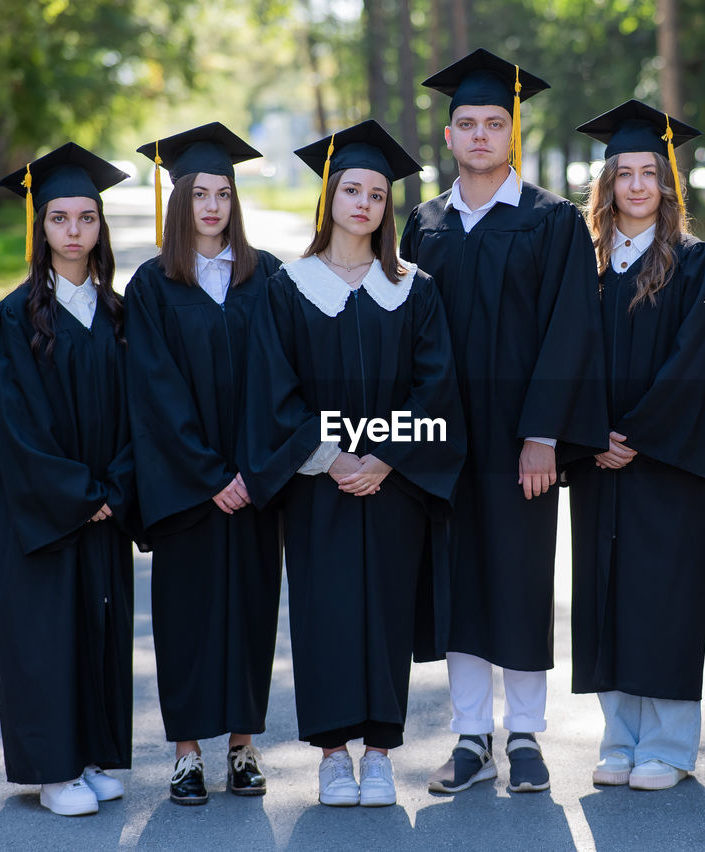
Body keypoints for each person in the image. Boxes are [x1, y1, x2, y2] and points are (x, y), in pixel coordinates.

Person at [401, 48, 609, 795]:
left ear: (512, 132)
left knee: (520, 579)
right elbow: (402, 331)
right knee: (455, 582)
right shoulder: (424, 223)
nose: (481, 135)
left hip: (523, 437)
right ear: (449, 135)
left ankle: (524, 735)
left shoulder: (551, 221)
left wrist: (543, 434)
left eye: (495, 123)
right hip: (445, 439)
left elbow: (569, 329)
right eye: (468, 123)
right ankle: (468, 736)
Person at [240, 120, 466, 807]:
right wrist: (332, 455)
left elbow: (436, 385)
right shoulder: (288, 286)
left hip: (390, 484)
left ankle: (380, 754)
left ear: (386, 207)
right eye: (352, 190)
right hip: (320, 483)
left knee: (387, 614)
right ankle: (334, 756)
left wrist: (388, 458)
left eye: (376, 193)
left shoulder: (413, 287)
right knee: (326, 612)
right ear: (330, 198)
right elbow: (272, 388)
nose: (364, 203)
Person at [568, 100, 705, 791]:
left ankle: (666, 745)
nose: (637, 186)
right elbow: (564, 353)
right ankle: (619, 739)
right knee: (607, 594)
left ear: (668, 185)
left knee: (663, 596)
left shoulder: (694, 264)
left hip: (665, 465)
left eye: (650, 173)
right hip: (601, 462)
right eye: (624, 173)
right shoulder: (585, 261)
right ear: (605, 185)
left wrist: (631, 435)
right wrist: (588, 432)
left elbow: (699, 361)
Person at [125, 122, 283, 805]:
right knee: (186, 615)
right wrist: (208, 474)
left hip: (254, 483)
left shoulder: (267, 275)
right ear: (180, 200)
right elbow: (153, 391)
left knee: (252, 608)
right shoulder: (153, 287)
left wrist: (252, 471)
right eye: (200, 194)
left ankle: (243, 749)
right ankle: (188, 753)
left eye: (224, 193)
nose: (213, 207)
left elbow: (281, 381)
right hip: (187, 488)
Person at [0, 143, 136, 816]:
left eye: (86, 218)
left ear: (102, 227)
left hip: (103, 501)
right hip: (48, 511)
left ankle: (94, 755)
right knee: (47, 629)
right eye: (59, 219)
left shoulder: (117, 312)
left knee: (99, 625)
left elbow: (142, 413)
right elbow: (17, 430)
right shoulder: (14, 317)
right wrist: (81, 494)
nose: (74, 231)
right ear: (38, 228)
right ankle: (53, 770)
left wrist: (117, 487)